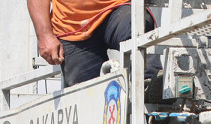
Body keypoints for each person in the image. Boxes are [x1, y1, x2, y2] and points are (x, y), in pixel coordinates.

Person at [27, 0, 158, 87]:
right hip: (72, 29)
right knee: (85, 101)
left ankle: (150, 84)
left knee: (137, 25)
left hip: (117, 8)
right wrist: (45, 36)